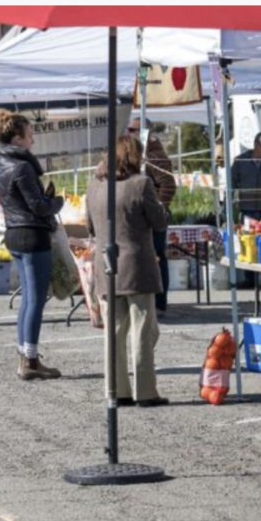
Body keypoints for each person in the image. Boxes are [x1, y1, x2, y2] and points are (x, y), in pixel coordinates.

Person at [87, 134, 170, 407]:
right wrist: (161, 205)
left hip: (107, 266)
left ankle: (117, 390)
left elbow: (90, 227)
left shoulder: (94, 186)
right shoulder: (141, 184)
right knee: (143, 331)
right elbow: (158, 223)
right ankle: (145, 392)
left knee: (114, 332)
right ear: (135, 156)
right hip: (137, 266)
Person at [0, 109, 63, 380]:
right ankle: (31, 360)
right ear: (18, 138)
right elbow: (36, 206)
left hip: (14, 233)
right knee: (35, 298)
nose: (32, 140)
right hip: (31, 234)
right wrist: (56, 203)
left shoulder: (1, 163)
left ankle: (25, 353)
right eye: (30, 135)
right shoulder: (22, 166)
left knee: (27, 299)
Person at [127, 119, 176, 313]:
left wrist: (159, 208)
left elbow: (169, 185)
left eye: (132, 129)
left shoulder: (154, 155)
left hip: (154, 216)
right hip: (145, 215)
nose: (128, 133)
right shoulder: (142, 154)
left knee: (157, 257)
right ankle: (153, 300)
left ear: (143, 132)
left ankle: (160, 301)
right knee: (153, 257)